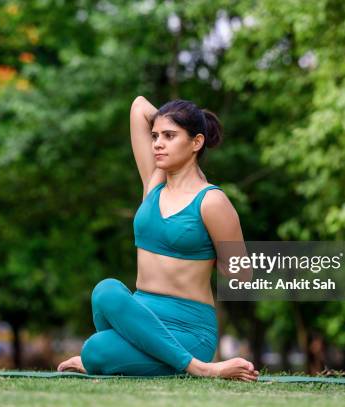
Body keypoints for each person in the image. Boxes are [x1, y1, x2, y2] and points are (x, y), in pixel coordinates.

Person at [57, 96, 258, 381]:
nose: (157, 143)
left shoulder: (212, 201)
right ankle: (170, 362)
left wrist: (214, 254)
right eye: (155, 136)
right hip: (142, 317)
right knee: (106, 291)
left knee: (94, 351)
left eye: (169, 136)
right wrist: (180, 120)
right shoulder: (154, 184)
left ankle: (199, 366)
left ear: (196, 142)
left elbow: (242, 276)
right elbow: (139, 106)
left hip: (188, 330)